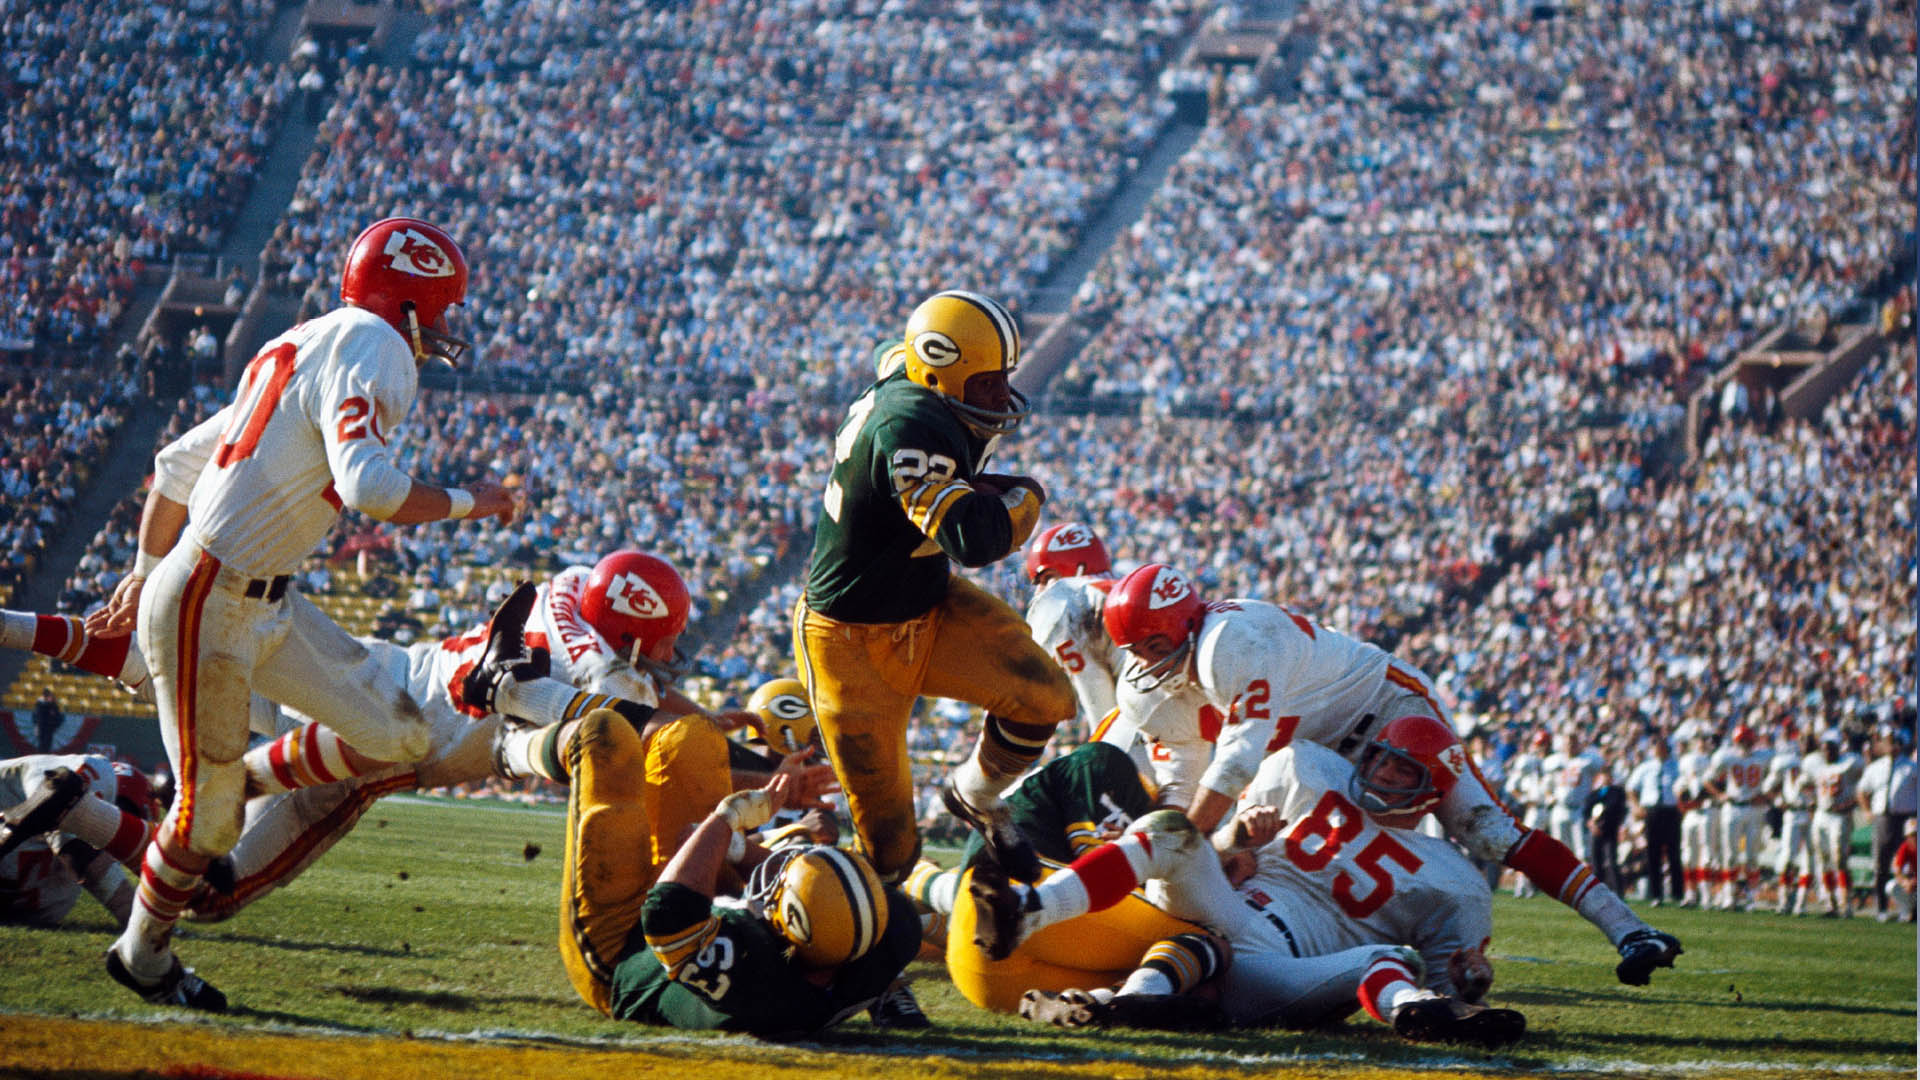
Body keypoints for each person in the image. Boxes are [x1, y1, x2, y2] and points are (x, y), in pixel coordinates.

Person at [82, 217, 522, 1010]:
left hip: (262, 600)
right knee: (209, 824)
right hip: (211, 598)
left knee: (400, 736)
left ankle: (238, 778)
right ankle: (141, 954)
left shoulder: (301, 341)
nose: (446, 325)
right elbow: (370, 489)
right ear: (408, 298)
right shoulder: (374, 344)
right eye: (441, 305)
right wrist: (473, 501)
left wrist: (143, 572)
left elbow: (175, 466)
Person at [1, 552, 766, 921]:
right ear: (631, 633)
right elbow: (648, 722)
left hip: (369, 673)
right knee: (208, 893)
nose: (670, 653)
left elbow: (646, 690)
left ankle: (15, 627)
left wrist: (707, 718)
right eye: (665, 638)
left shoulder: (571, 584)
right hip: (374, 753)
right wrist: (757, 763)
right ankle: (81, 814)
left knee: (159, 659)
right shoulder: (609, 677)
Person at [1097, 563, 1681, 986]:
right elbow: (1184, 788)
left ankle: (1629, 929)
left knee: (1487, 829)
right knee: (1265, 850)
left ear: (1185, 624)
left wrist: (1182, 844)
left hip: (1388, 715)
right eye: (1134, 649)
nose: (1144, 662)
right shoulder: (1152, 688)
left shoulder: (1233, 641)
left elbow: (1234, 762)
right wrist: (1175, 854)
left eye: (1153, 643)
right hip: (1311, 748)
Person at [973, 733, 1525, 1046]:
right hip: (1230, 911)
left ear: (1432, 791)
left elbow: (1453, 983)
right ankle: (1029, 908)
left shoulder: (1454, 880)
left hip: (1288, 965)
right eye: (1381, 756)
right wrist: (1237, 837)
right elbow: (1223, 856)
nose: (1382, 770)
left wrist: (1470, 985)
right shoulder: (1308, 769)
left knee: (1391, 959)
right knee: (1170, 830)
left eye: (1403, 770)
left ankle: (1412, 1014)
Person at [792, 290, 1074, 884]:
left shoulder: (915, 372)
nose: (1000, 395)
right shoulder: (911, 426)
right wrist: (1025, 498)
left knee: (1045, 698)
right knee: (891, 850)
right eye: (986, 383)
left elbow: (889, 351)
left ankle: (975, 797)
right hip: (851, 645)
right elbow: (974, 539)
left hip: (928, 602)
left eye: (1003, 378)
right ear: (937, 376)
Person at [584, 732, 921, 1038]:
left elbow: (667, 912)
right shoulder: (890, 928)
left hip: (620, 963)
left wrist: (728, 817)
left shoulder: (756, 976)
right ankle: (891, 989)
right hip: (805, 958)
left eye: (780, 884)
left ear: (789, 925)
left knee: (603, 734)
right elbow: (847, 908)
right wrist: (738, 847)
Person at [0, 754, 158, 927]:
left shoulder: (61, 898)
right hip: (40, 803)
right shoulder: (94, 774)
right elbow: (79, 853)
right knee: (65, 798)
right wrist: (144, 924)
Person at [1708, 722, 1773, 910]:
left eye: (1747, 741)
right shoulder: (1726, 756)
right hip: (1733, 807)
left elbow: (1778, 777)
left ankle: (1752, 897)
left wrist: (1767, 795)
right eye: (1741, 741)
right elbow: (1708, 779)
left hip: (1754, 808)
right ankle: (1729, 895)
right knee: (1730, 854)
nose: (1745, 744)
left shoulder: (1764, 756)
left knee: (1753, 855)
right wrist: (1720, 795)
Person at [1856, 729, 1916, 921]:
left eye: (1893, 742)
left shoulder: (1911, 767)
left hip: (1905, 819)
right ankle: (1882, 908)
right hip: (1883, 818)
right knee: (1881, 864)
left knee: (1908, 863)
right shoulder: (1875, 767)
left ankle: (1909, 909)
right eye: (1887, 742)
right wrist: (1867, 810)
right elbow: (1862, 790)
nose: (1890, 746)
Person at [1807, 729, 1864, 916]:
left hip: (1840, 815)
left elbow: (1863, 786)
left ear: (1838, 749)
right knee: (1823, 859)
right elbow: (1808, 786)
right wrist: (1812, 802)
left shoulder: (1849, 764)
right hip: (1821, 814)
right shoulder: (1817, 766)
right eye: (1825, 749)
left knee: (1839, 859)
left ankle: (1845, 904)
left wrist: (1851, 803)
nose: (1827, 752)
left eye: (1830, 749)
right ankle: (1830, 902)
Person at [1626, 733, 1684, 906]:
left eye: (1661, 746)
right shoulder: (1645, 767)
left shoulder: (1676, 766)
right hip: (1651, 811)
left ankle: (1677, 893)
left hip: (1671, 810)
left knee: (1674, 852)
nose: (1658, 749)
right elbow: (1631, 788)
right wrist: (1636, 806)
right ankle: (1656, 894)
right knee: (1653, 852)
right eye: (1656, 746)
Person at [1766, 735, 1819, 915]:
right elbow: (1769, 786)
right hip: (1793, 812)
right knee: (1787, 856)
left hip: (1812, 813)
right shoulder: (1788, 762)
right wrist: (1779, 800)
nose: (1806, 745)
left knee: (1809, 859)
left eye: (1809, 742)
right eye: (1804, 742)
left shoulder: (1819, 763)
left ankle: (1801, 903)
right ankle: (1784, 900)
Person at [1676, 731, 1722, 908]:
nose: (1701, 743)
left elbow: (1714, 785)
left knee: (1707, 854)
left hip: (1708, 809)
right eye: (1698, 739)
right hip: (1692, 812)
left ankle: (1707, 896)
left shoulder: (1715, 760)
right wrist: (1683, 799)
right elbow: (1681, 786)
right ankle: (1690, 894)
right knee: (1688, 855)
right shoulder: (1687, 760)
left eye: (1704, 739)